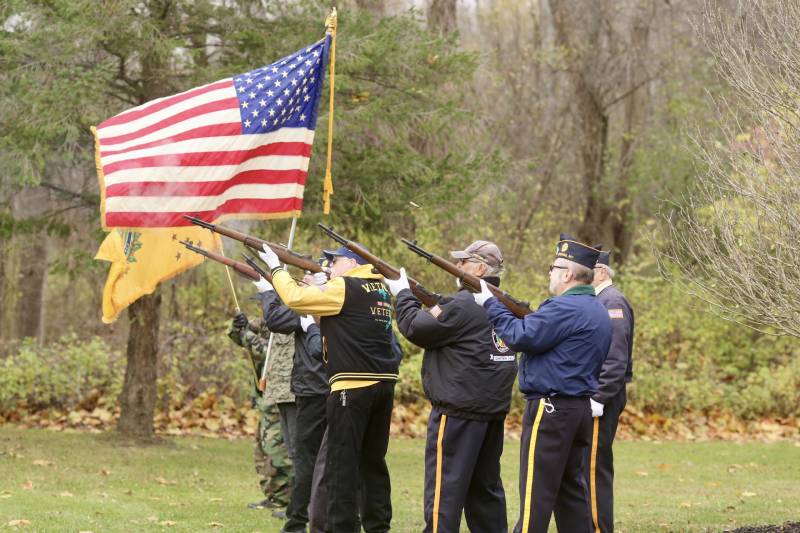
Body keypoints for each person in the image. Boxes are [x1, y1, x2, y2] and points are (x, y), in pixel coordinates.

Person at [472, 234, 612, 533]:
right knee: (571, 496)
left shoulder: (564, 308)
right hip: (577, 410)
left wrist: (490, 304)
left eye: (554, 266)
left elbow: (521, 336)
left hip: (550, 410)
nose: (549, 272)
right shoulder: (596, 308)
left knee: (536, 498)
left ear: (567, 274)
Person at [258, 243, 399, 533]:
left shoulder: (345, 287)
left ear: (350, 263)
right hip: (382, 385)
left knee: (340, 467)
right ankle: (378, 527)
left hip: (351, 386)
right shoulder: (381, 289)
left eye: (335, 262)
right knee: (372, 465)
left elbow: (295, 298)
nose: (329, 267)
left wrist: (276, 270)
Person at [387, 240, 517, 533]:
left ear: (480, 269)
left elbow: (415, 328)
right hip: (492, 412)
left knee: (444, 494)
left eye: (464, 262)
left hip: (458, 414)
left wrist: (403, 294)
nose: (457, 267)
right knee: (486, 493)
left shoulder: (461, 304)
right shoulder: (505, 304)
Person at [259, 266, 330, 533]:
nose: (307, 276)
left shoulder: (315, 301)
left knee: (305, 460)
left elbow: (276, 319)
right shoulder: (337, 297)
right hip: (331, 387)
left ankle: (297, 521)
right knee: (333, 458)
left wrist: (269, 292)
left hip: (313, 389)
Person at [228, 293, 297, 514]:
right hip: (265, 396)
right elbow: (243, 337)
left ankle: (288, 498)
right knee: (262, 449)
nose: (261, 306)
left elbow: (270, 353)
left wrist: (247, 335)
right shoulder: (266, 322)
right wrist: (239, 327)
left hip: (283, 395)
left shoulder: (288, 320)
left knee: (278, 450)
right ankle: (274, 495)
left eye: (263, 302)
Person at [586, 250, 635, 533]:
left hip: (602, 396)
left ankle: (598, 528)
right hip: (596, 393)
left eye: (588, 269)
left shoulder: (611, 301)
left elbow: (615, 359)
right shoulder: (598, 300)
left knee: (594, 468)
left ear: (602, 271)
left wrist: (598, 397)